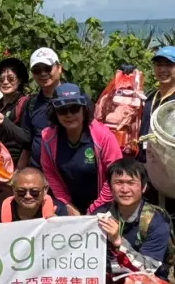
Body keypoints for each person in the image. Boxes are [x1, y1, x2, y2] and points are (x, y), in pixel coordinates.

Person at [66, 158, 172, 284]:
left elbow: (148, 269)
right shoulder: (99, 215)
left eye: (131, 183)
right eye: (118, 183)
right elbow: (84, 258)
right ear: (110, 186)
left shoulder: (156, 220)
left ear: (144, 187)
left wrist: (118, 241)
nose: (124, 189)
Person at [138, 45, 175, 284]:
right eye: (159, 64)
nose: (162, 69)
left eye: (169, 65)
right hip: (146, 175)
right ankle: (156, 280)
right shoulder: (148, 98)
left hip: (173, 178)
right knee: (149, 228)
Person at [40, 83, 123, 215]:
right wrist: (67, 204)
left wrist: (94, 208)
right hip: (69, 203)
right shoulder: (48, 138)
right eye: (62, 110)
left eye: (74, 108)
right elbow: (51, 174)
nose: (69, 115)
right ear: (55, 113)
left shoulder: (103, 136)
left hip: (105, 202)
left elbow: (116, 174)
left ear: (84, 109)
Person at [0, 57, 34, 167]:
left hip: (20, 165)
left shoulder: (25, 103)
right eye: (1, 79)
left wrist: (5, 122)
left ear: (20, 80)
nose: (5, 82)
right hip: (1, 162)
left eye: (10, 78)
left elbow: (28, 140)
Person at [26, 47, 66, 166]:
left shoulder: (77, 98)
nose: (43, 73)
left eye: (48, 68)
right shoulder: (31, 103)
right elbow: (28, 143)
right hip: (38, 174)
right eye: (37, 70)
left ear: (59, 68)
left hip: (66, 175)